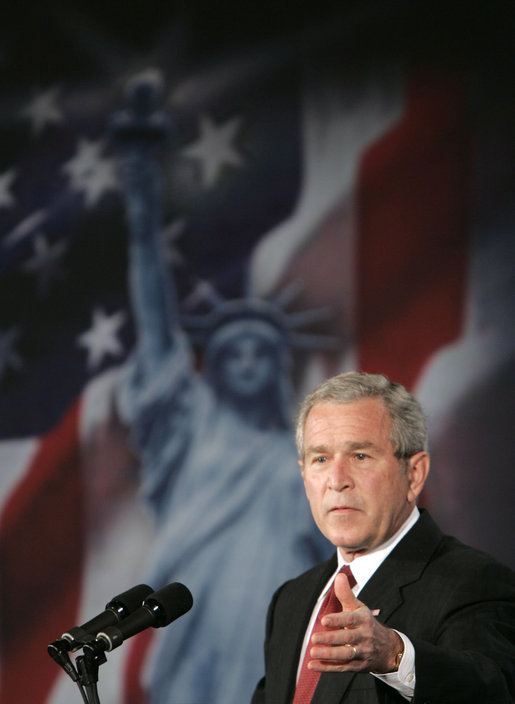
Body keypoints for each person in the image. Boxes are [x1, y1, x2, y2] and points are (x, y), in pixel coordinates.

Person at [111, 75, 332, 704]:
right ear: (215, 367)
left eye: (261, 351)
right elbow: (156, 317)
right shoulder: (190, 426)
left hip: (283, 610)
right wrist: (142, 202)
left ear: (278, 366)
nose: (246, 361)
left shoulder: (303, 459)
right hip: (198, 607)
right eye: (231, 350)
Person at [251, 371, 515, 704]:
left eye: (360, 456)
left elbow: (495, 691)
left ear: (414, 474)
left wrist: (395, 655)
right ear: (305, 477)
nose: (337, 480)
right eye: (321, 459)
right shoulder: (291, 599)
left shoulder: (474, 581)